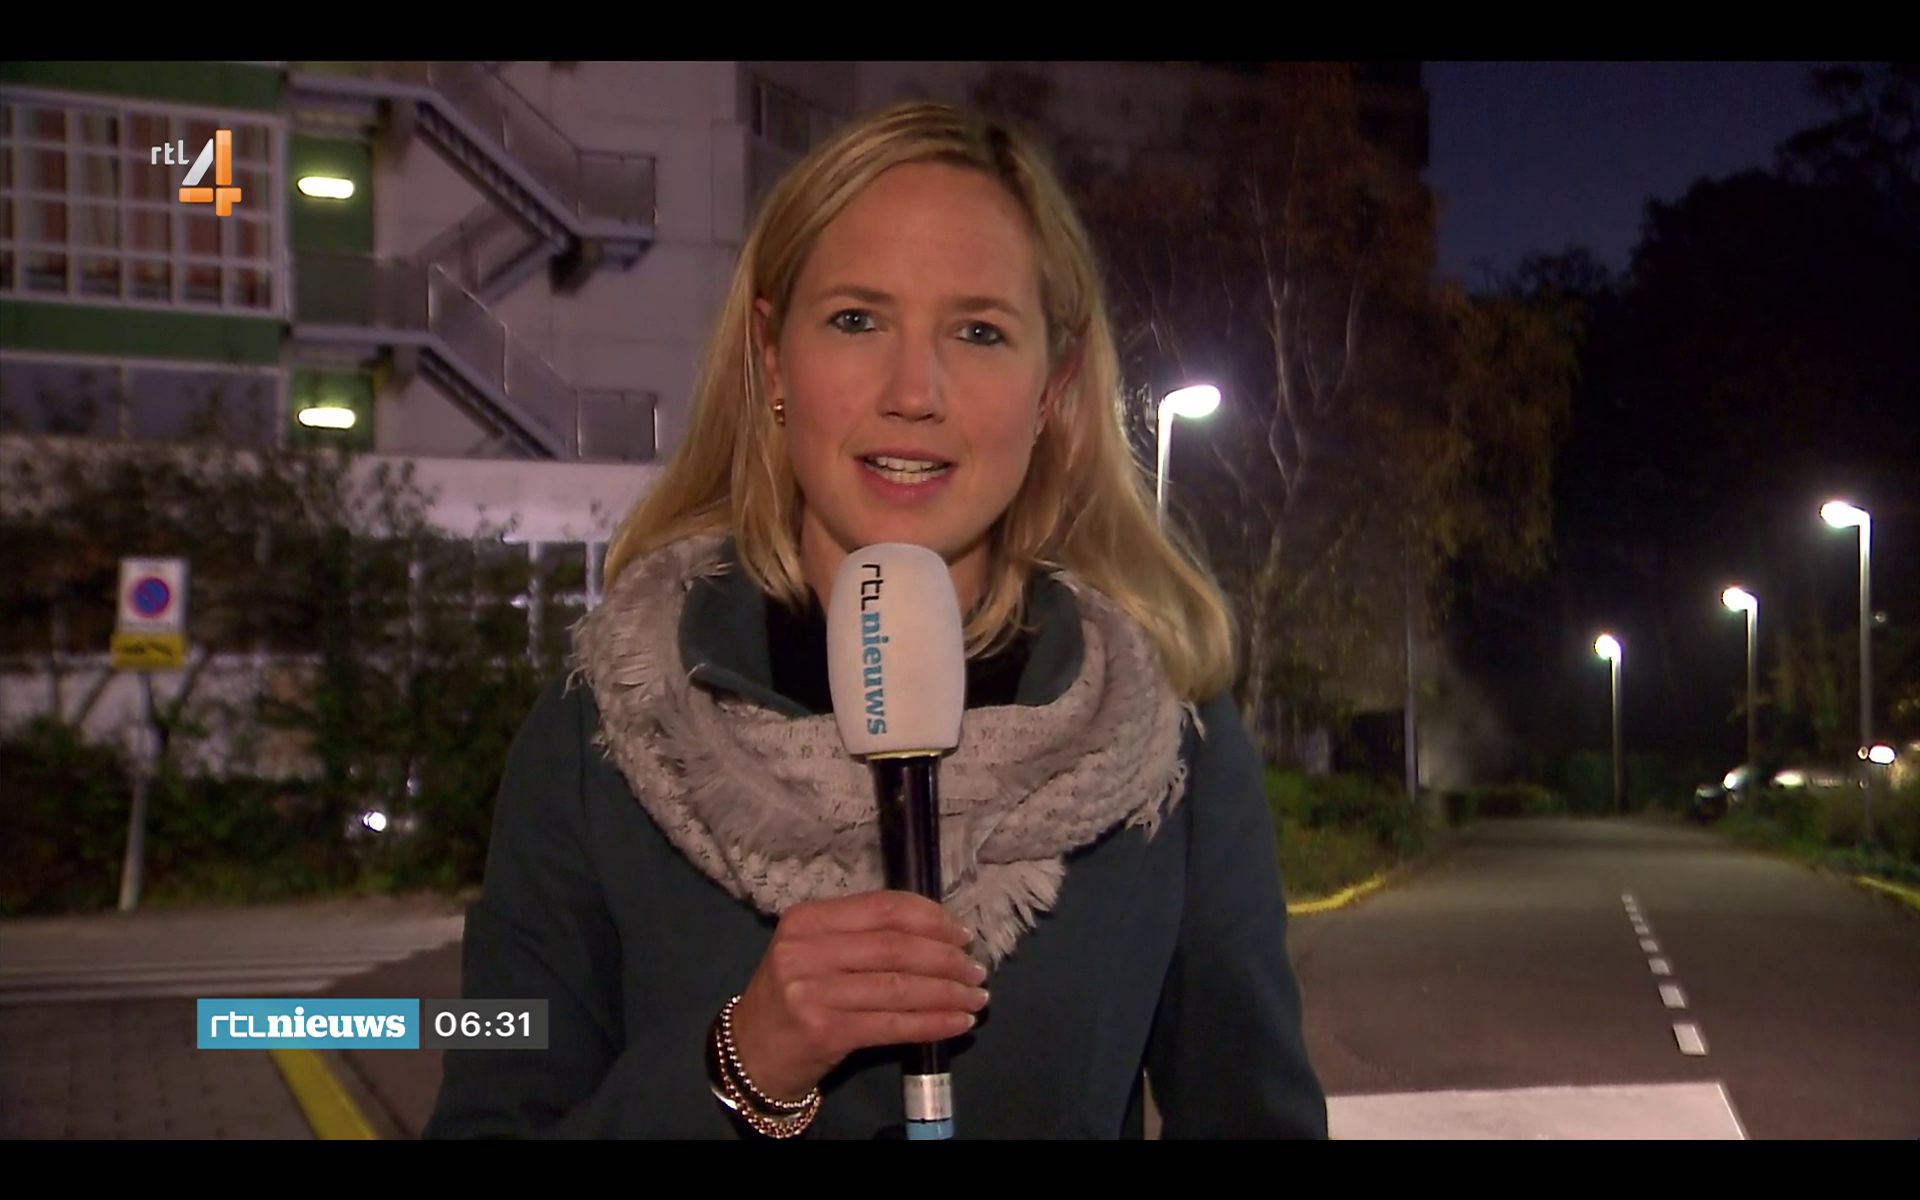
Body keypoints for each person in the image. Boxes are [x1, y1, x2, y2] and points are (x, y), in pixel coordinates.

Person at [423, 99, 1328, 1140]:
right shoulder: (599, 735)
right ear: (773, 358)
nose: (913, 391)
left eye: (979, 332)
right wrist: (741, 1066)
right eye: (857, 319)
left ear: (1053, 388)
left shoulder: (1169, 743)